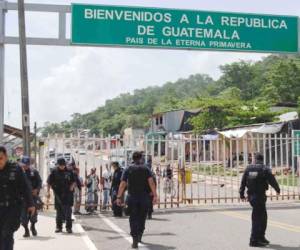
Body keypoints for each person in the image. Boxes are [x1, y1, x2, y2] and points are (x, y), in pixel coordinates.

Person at [117, 151, 158, 249]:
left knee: (133, 217)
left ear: (133, 158)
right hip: (144, 197)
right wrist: (155, 195)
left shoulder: (128, 169)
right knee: (142, 216)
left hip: (132, 197)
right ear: (141, 158)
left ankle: (135, 238)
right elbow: (151, 182)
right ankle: (139, 234)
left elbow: (123, 184)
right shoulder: (146, 169)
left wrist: (119, 197)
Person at [239, 153, 281, 247]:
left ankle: (261, 237)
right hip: (259, 196)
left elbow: (243, 182)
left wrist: (241, 194)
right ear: (262, 160)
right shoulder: (264, 169)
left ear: (255, 159)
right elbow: (272, 180)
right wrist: (277, 190)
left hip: (252, 197)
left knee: (263, 217)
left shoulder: (248, 169)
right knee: (257, 218)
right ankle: (253, 240)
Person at [0, 146, 35, 250]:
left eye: (0, 158)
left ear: (6, 157)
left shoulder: (16, 169)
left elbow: (25, 188)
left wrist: (31, 204)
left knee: (6, 234)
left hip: (12, 209)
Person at [47, 158, 76, 233]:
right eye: (61, 165)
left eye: (63, 165)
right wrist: (48, 192)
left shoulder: (69, 171)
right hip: (58, 194)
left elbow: (73, 181)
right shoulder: (54, 171)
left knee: (68, 212)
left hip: (68, 194)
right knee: (59, 212)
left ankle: (69, 228)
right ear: (58, 165)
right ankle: (58, 227)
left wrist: (72, 186)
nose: (62, 166)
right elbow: (49, 182)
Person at [19, 156, 42, 238]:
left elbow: (39, 182)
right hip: (22, 197)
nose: (25, 166)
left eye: (27, 164)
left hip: (33, 196)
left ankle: (32, 226)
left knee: (33, 214)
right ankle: (26, 229)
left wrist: (37, 189)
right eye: (24, 164)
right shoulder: (18, 172)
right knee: (22, 216)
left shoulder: (34, 171)